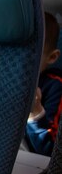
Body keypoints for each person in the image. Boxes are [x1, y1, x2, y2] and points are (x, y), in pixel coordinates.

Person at [26, 12, 62, 156]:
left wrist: (36, 112)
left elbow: (49, 152)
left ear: (51, 57)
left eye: (31, 56)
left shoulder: (55, 86)